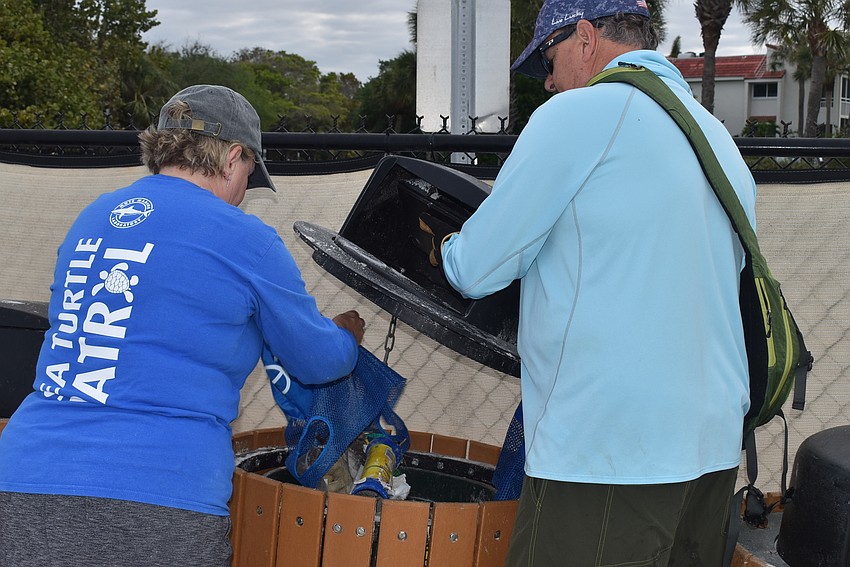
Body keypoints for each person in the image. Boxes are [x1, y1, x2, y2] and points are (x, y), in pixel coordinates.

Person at [431, 1, 756, 565]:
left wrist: (439, 244)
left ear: (585, 38)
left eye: (549, 62)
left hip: (609, 453)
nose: (550, 82)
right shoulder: (716, 138)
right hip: (711, 453)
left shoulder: (580, 115)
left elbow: (477, 267)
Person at [0, 84, 365, 566]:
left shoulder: (93, 216)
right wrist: (346, 336)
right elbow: (319, 362)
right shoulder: (246, 239)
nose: (241, 195)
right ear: (234, 156)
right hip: (162, 492)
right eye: (250, 173)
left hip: (25, 478)